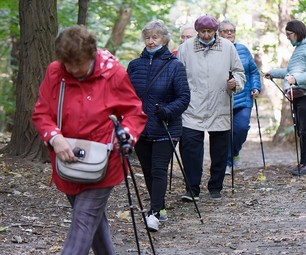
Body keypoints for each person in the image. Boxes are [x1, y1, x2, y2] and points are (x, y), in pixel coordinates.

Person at [32, 25, 147, 254]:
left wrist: (125, 134)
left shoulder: (113, 73)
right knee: (92, 223)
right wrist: (55, 137)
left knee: (83, 220)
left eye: (78, 63)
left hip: (104, 162)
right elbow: (42, 112)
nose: (73, 69)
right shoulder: (56, 72)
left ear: (91, 55)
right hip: (68, 160)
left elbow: (135, 112)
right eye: (68, 64)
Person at [127, 20, 190, 231]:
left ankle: (153, 213)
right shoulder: (135, 65)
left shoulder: (175, 65)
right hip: (141, 127)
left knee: (159, 169)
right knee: (147, 170)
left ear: (164, 39)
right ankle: (160, 206)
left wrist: (167, 110)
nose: (150, 41)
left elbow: (184, 97)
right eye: (147, 37)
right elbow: (126, 96)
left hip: (166, 127)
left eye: (155, 37)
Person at [177, 14, 245, 201]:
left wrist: (235, 83)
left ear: (216, 31)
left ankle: (216, 186)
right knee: (190, 148)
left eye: (209, 31)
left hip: (220, 103)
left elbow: (239, 72)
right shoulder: (185, 48)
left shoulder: (228, 47)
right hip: (192, 106)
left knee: (220, 150)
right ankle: (192, 189)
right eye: (202, 31)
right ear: (197, 31)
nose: (206, 35)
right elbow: (178, 75)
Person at [264, 19, 306, 176]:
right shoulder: (300, 49)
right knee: (301, 131)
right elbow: (291, 72)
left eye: (289, 34)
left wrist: (296, 80)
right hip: (299, 96)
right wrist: (273, 73)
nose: (288, 38)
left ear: (297, 32)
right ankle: (303, 163)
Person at [218, 20, 262, 175]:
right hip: (222, 99)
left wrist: (256, 87)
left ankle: (235, 152)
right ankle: (227, 163)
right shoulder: (216, 51)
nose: (230, 33)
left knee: (241, 129)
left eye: (232, 30)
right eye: (226, 31)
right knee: (224, 133)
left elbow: (253, 72)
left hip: (243, 98)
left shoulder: (243, 49)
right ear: (219, 33)